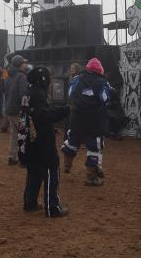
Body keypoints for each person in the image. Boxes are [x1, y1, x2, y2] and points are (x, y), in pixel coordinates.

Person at [21, 66, 70, 218]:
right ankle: (52, 208)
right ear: (43, 79)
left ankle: (30, 203)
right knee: (51, 169)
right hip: (42, 142)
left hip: (30, 140)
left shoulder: (29, 92)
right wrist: (64, 110)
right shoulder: (39, 94)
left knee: (34, 171)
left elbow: (32, 117)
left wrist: (50, 127)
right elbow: (43, 116)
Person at [61, 58, 112, 186]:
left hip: (77, 118)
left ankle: (67, 165)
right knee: (94, 148)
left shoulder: (77, 79)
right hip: (94, 121)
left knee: (72, 142)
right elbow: (105, 98)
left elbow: (71, 93)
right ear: (100, 70)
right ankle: (91, 177)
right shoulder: (102, 82)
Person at [4, 55, 29, 165]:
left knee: (14, 134)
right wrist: (23, 109)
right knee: (23, 134)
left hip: (9, 109)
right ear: (19, 64)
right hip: (18, 110)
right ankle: (23, 158)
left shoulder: (8, 77)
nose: (25, 64)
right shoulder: (22, 77)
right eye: (23, 62)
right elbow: (23, 94)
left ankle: (12, 156)